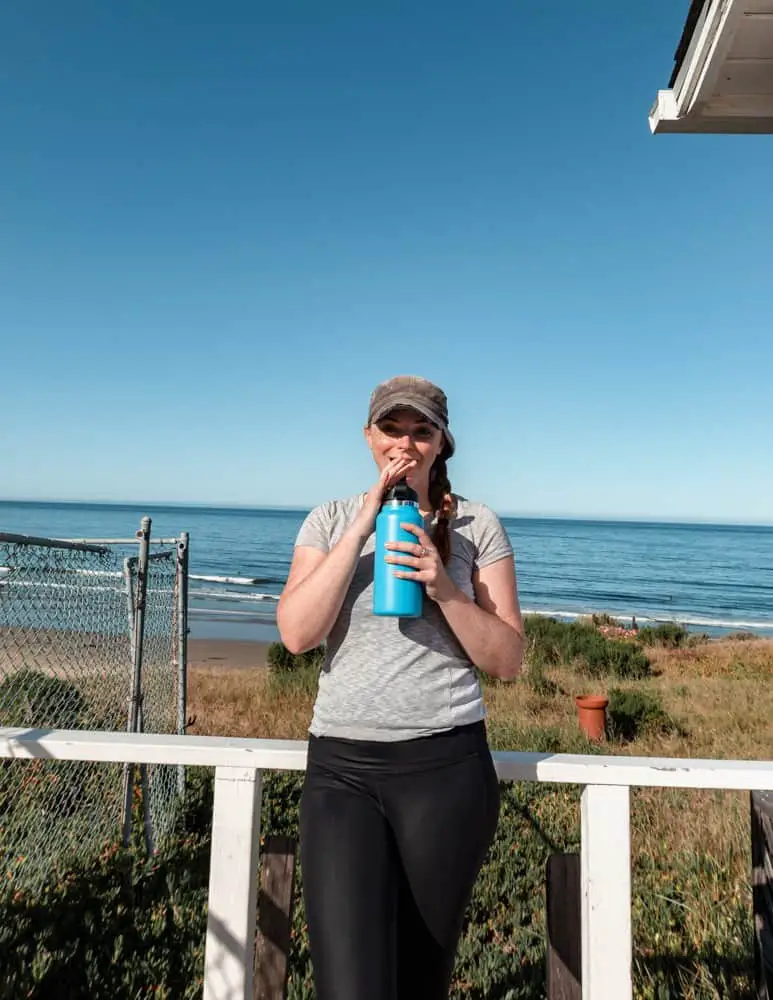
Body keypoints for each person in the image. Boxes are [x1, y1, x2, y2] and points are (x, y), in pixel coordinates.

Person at [276, 374, 525, 1000]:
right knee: (349, 986)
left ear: (442, 444)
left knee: (420, 983)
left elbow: (508, 659)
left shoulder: (478, 525)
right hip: (342, 772)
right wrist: (364, 522)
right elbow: (297, 635)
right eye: (392, 428)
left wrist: (444, 587)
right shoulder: (329, 520)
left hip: (446, 768)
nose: (405, 444)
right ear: (369, 437)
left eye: (422, 431)